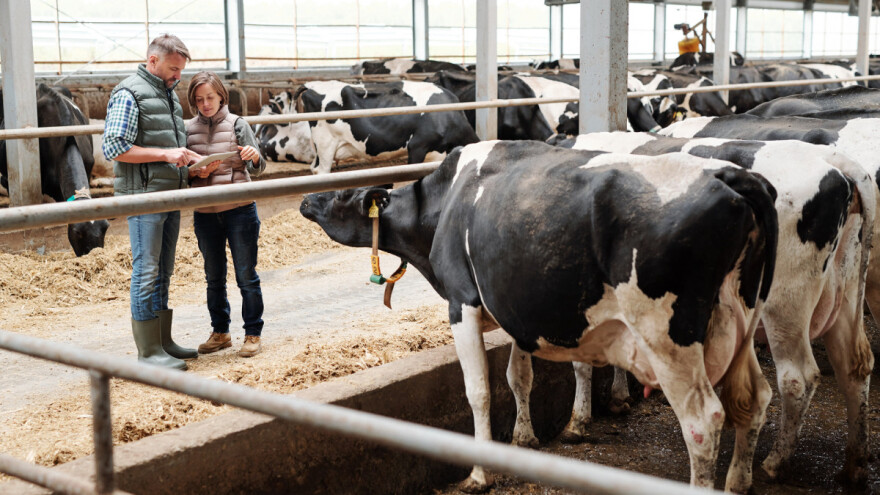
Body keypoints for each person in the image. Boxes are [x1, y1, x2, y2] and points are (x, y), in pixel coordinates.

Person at [103, 34, 201, 370]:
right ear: (153, 61)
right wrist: (165, 153)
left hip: (168, 192)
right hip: (143, 195)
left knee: (163, 270)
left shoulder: (169, 97)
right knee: (146, 270)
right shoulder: (130, 93)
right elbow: (114, 147)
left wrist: (190, 159)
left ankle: (162, 342)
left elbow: (166, 145)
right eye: (174, 69)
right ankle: (147, 352)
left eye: (181, 70)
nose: (178, 77)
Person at [185, 71, 267, 358]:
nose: (205, 104)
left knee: (246, 274)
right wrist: (195, 172)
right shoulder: (188, 129)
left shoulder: (238, 124)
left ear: (221, 95)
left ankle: (253, 333)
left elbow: (259, 166)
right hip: (205, 212)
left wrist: (254, 157)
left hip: (239, 209)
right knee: (214, 276)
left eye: (209, 97)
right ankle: (220, 332)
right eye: (199, 99)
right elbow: (183, 175)